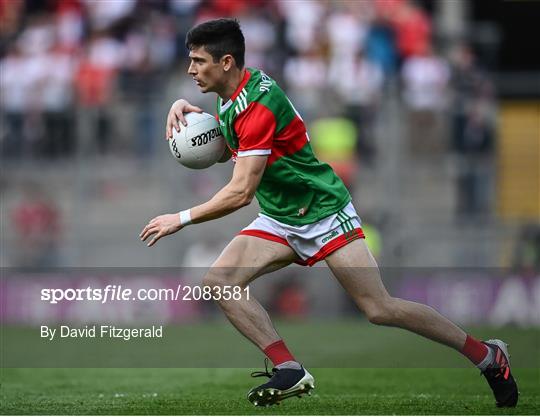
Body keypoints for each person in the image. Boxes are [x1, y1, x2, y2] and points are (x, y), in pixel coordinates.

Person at [140, 18, 518, 408]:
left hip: (322, 212)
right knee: (220, 281)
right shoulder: (230, 96)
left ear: (226, 62)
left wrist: (180, 218)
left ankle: (488, 356)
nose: (190, 70)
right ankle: (288, 368)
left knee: (380, 308)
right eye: (190, 60)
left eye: (198, 61)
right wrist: (187, 115)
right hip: (280, 217)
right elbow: (230, 150)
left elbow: (240, 192)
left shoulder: (258, 105)